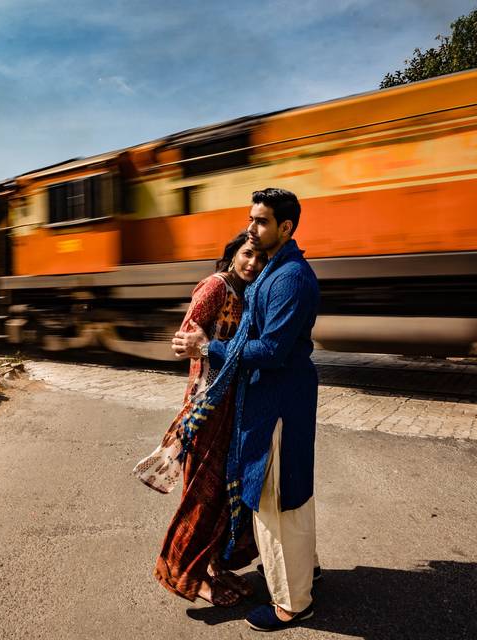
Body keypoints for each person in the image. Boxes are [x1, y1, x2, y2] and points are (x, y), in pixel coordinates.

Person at [172, 188, 320, 631]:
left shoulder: (289, 278)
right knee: (288, 494)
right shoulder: (275, 270)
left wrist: (209, 347)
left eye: (260, 222)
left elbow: (271, 349)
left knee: (275, 500)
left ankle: (292, 603)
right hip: (274, 400)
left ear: (285, 227)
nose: (251, 230)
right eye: (251, 220)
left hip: (276, 403)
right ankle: (306, 573)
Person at [151, 232, 266, 607]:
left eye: (261, 259)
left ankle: (212, 568)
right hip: (208, 406)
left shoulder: (246, 293)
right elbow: (186, 338)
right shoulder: (215, 286)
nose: (253, 263)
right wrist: (202, 347)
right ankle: (185, 574)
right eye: (248, 254)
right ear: (232, 254)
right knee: (201, 495)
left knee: (223, 494)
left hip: (234, 408)